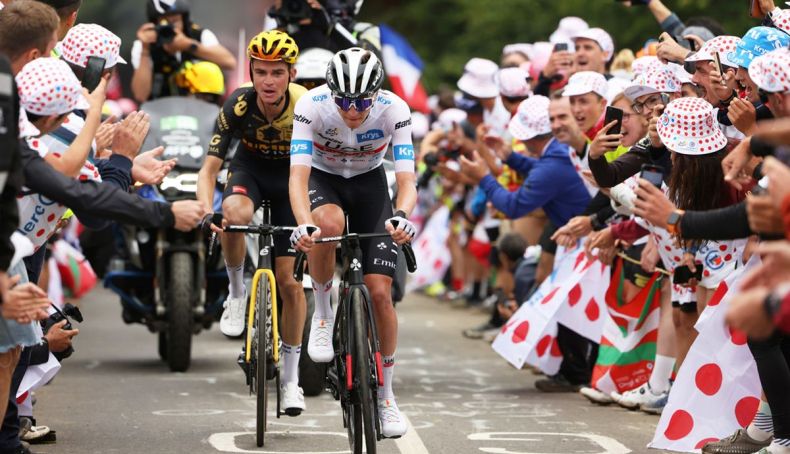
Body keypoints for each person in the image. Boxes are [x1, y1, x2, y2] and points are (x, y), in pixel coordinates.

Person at [289, 47, 416, 438]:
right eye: (344, 101)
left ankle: (387, 397)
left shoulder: (395, 109)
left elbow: (407, 180)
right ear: (332, 93)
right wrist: (304, 224)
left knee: (380, 293)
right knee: (328, 223)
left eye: (362, 102)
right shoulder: (311, 106)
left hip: (370, 185)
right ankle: (323, 313)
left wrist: (402, 215)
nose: (352, 110)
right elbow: (297, 178)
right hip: (323, 179)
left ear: (376, 94)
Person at [197, 30, 308, 415]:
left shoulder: (306, 104)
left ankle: (291, 381)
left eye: (277, 72)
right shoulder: (239, 104)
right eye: (261, 72)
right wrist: (205, 210)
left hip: (293, 178)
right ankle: (235, 293)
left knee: (290, 283)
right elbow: (209, 169)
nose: (268, 81)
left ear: (291, 73)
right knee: (235, 214)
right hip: (251, 171)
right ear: (251, 73)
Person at [130, 0, 236, 102]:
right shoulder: (143, 45)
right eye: (164, 22)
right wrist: (145, 50)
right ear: (154, 23)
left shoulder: (200, 35)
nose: (170, 27)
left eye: (175, 21)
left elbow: (230, 62)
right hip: (159, 110)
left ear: (184, 20)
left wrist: (188, 45)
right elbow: (140, 95)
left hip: (200, 109)